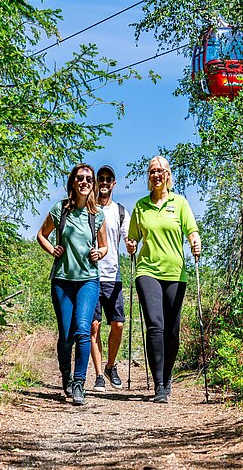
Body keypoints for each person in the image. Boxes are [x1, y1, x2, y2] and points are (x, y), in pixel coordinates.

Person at [126, 156, 201, 403]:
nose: (156, 175)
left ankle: (167, 375)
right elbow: (133, 237)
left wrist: (195, 243)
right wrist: (131, 244)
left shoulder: (179, 203)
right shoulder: (141, 206)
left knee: (172, 330)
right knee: (155, 326)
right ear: (148, 177)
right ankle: (158, 384)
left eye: (160, 171)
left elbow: (192, 230)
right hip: (147, 271)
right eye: (151, 172)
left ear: (168, 174)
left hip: (175, 273)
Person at [37, 163, 108, 406]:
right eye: (80, 178)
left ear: (93, 184)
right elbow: (41, 235)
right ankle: (66, 376)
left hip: (88, 279)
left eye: (88, 178)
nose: (84, 182)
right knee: (66, 335)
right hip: (62, 281)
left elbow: (105, 245)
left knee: (82, 329)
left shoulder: (97, 214)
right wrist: (51, 250)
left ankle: (79, 383)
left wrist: (100, 252)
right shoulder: (60, 210)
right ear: (72, 182)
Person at [89, 165, 130, 391]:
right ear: (97, 183)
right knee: (93, 326)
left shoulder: (121, 211)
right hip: (90, 275)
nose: (104, 183)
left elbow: (128, 238)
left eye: (108, 179)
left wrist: (132, 245)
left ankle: (110, 366)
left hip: (113, 276)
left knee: (118, 324)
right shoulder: (88, 209)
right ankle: (98, 375)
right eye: (101, 179)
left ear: (114, 183)